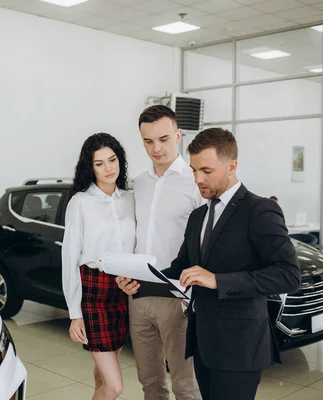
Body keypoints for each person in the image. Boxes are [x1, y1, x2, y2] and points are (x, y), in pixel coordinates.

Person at [163, 128, 301, 400]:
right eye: (193, 170)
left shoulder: (259, 210)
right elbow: (182, 267)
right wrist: (141, 280)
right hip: (202, 341)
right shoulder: (198, 216)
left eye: (206, 171)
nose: (197, 179)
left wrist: (217, 280)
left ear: (232, 166)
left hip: (240, 346)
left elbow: (288, 275)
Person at [116, 105, 202, 400]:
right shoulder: (138, 183)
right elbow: (131, 237)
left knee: (185, 385)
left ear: (179, 135)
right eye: (148, 141)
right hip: (138, 293)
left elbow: (205, 242)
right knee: (150, 381)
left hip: (178, 294)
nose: (156, 148)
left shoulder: (195, 183)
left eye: (164, 139)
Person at [62, 132, 135, 400]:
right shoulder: (80, 202)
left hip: (122, 292)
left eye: (113, 160)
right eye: (99, 163)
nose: (108, 168)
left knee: (101, 376)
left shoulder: (129, 199)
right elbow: (69, 258)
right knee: (115, 386)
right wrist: (75, 313)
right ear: (89, 167)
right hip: (93, 293)